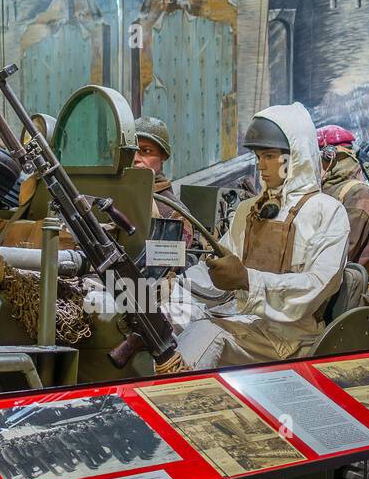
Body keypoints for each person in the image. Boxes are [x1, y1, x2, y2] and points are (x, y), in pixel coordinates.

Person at [174, 103, 350, 369]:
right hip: (241, 319)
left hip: (291, 336)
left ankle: (171, 400)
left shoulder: (327, 212)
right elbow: (213, 272)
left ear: (296, 156)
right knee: (163, 316)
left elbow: (317, 284)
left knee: (208, 333)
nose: (261, 166)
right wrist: (171, 288)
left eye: (269, 156)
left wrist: (248, 280)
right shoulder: (249, 210)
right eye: (259, 157)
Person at [315, 125, 369, 276]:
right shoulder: (321, 190)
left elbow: (341, 255)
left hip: (347, 286)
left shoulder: (359, 194)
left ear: (330, 155)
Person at [134, 116, 193, 248]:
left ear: (163, 156)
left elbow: (169, 266)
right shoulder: (118, 195)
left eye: (146, 151)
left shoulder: (173, 212)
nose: (135, 158)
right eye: (131, 150)